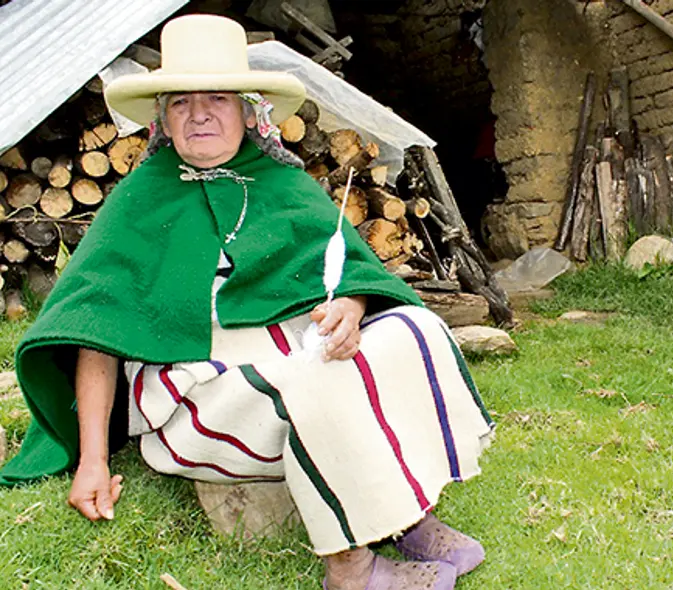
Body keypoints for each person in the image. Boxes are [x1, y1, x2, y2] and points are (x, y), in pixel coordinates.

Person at [0, 14, 493, 590]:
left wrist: (352, 310)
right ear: (163, 117)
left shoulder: (284, 185)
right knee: (316, 381)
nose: (200, 113)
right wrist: (92, 462)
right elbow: (94, 329)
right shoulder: (138, 201)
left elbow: (355, 274)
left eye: (217, 98)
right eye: (181, 102)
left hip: (298, 353)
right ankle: (351, 569)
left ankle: (409, 515)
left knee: (415, 330)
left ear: (249, 111)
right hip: (197, 391)